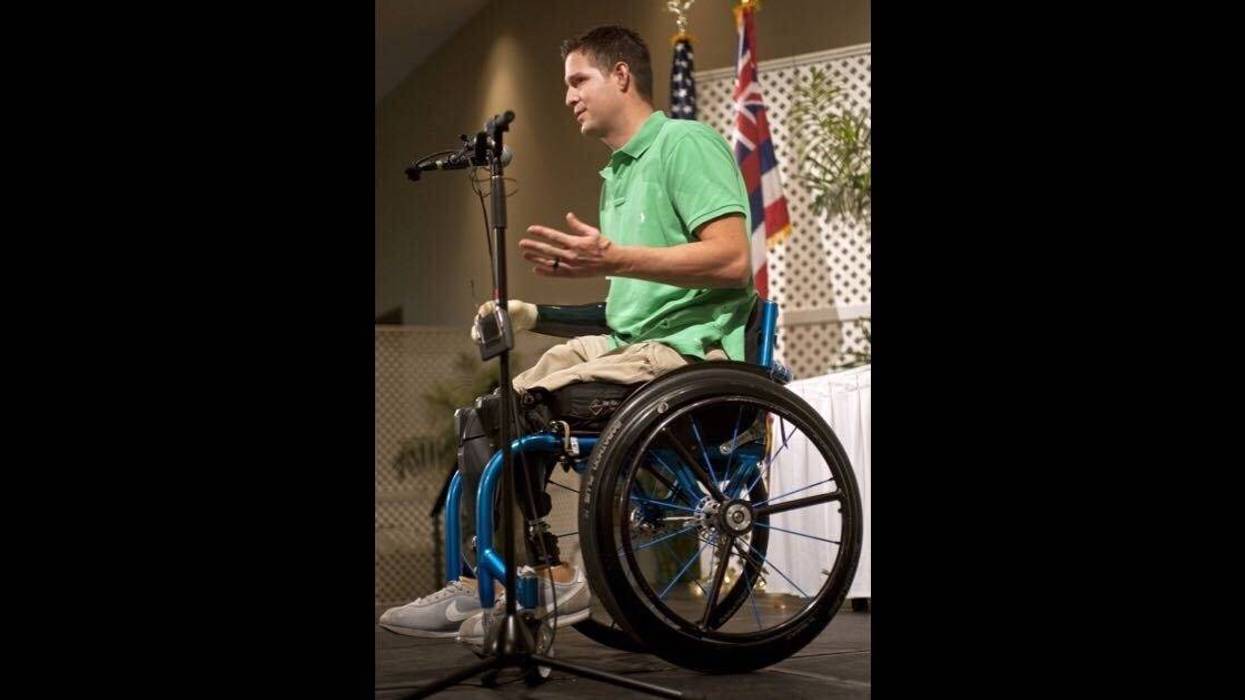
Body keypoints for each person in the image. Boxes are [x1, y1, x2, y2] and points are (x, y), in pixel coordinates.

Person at [379, 24, 756, 645]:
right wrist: (534, 314)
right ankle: (485, 579)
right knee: (485, 411)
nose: (568, 96)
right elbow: (626, 308)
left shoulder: (684, 144)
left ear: (621, 76)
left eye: (578, 80)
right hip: (630, 345)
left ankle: (549, 573)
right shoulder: (618, 177)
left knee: (525, 408)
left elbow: (732, 260)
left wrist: (613, 257)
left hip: (686, 355)